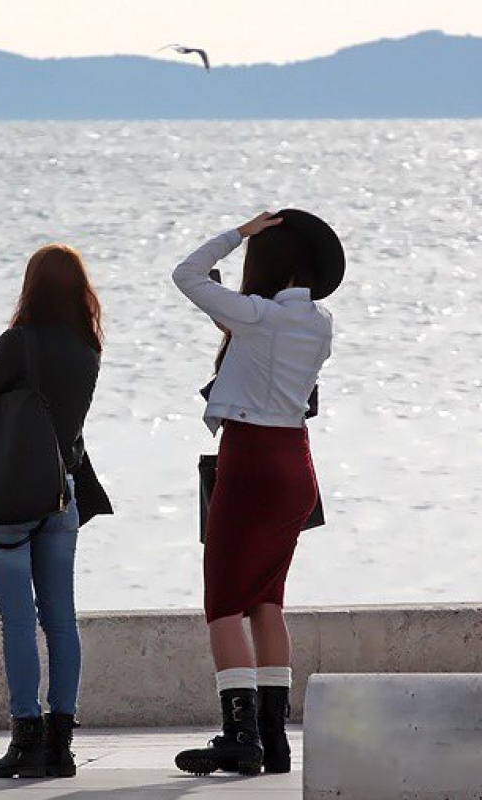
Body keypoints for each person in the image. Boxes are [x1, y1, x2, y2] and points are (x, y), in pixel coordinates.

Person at [170, 210, 344, 776]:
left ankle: (240, 736)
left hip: (250, 460)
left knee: (224, 605)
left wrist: (238, 232)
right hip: (297, 463)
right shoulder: (319, 322)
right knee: (268, 600)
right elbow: (267, 348)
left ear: (265, 263)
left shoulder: (256, 317)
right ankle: (274, 738)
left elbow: (187, 273)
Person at [0, 244, 112, 779]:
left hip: (10, 500)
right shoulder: (88, 348)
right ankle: (61, 745)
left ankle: (25, 739)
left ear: (31, 287)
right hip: (61, 495)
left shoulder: (18, 343)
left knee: (20, 622)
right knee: (61, 620)